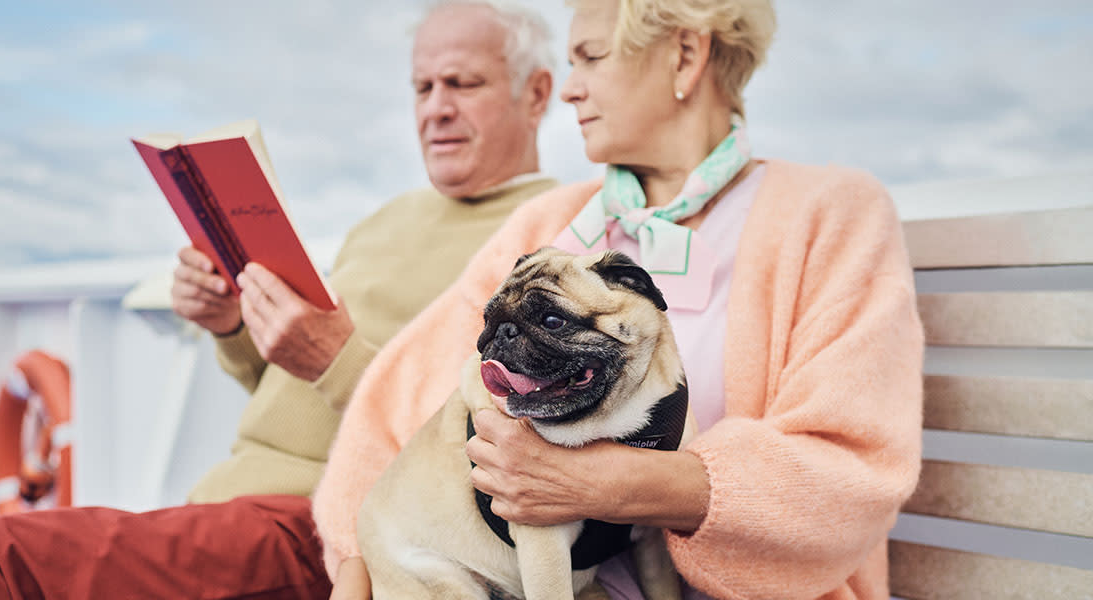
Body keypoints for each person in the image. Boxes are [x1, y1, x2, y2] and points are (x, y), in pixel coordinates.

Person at [0, 2, 557, 598]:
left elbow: (487, 441)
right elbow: (289, 392)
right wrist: (233, 329)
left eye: (462, 84)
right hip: (229, 504)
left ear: (537, 94)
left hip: (322, 523)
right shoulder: (386, 220)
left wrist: (335, 359)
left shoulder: (548, 235)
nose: (435, 108)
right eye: (422, 88)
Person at [313, 0, 925, 598]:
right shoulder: (547, 225)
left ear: (685, 55)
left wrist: (614, 484)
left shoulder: (830, 216)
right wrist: (360, 568)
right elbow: (393, 415)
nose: (569, 90)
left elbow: (852, 473)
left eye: (590, 57)